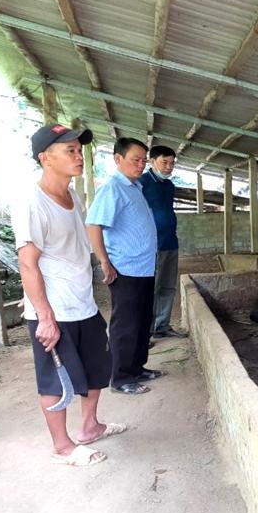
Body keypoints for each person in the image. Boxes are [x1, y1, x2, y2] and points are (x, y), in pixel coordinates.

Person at [13, 123, 127, 467]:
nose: (79, 156)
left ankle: (90, 426)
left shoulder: (72, 195)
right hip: (54, 310)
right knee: (54, 380)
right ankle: (62, 447)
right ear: (46, 158)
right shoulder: (32, 203)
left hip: (83, 304)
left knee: (97, 368)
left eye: (79, 150)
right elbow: (27, 264)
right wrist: (44, 317)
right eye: (70, 152)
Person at [86, 138, 162, 395]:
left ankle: (137, 368)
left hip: (143, 267)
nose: (140, 165)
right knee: (126, 324)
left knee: (142, 321)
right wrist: (104, 261)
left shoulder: (135, 187)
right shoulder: (112, 189)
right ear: (118, 159)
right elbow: (94, 225)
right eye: (135, 159)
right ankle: (120, 378)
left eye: (143, 160)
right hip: (125, 269)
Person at [140, 145, 187, 339]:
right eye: (164, 162)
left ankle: (162, 325)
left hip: (170, 241)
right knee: (150, 288)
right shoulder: (141, 183)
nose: (169, 167)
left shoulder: (169, 186)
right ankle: (146, 331)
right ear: (152, 162)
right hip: (151, 245)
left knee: (167, 285)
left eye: (172, 163)